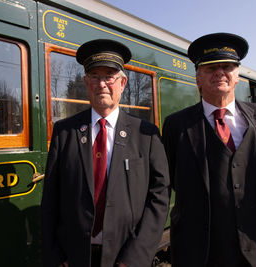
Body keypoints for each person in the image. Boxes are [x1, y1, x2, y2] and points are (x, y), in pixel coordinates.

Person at [41, 39, 170, 267]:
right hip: (74, 257)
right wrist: (57, 256)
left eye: (109, 76)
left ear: (122, 83)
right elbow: (51, 199)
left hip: (126, 256)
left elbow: (158, 198)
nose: (102, 83)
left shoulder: (146, 135)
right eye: (94, 76)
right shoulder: (65, 132)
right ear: (86, 82)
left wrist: (135, 258)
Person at [162, 33, 256, 267]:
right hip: (200, 253)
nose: (219, 72)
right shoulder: (176, 126)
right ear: (197, 78)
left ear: (237, 75)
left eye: (227, 66)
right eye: (210, 68)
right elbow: (167, 185)